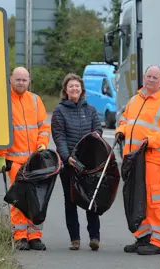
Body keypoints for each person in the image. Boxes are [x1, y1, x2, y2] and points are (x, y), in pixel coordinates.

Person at [115, 65, 160, 255]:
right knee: (136, 198)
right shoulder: (135, 100)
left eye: (154, 77)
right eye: (148, 76)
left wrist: (151, 140)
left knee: (154, 200)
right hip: (133, 159)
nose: (150, 80)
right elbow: (124, 120)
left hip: (152, 159)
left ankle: (159, 242)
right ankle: (143, 237)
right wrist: (120, 131)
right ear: (144, 77)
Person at [0, 66, 51, 251]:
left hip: (35, 160)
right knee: (19, 200)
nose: (21, 83)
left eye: (24, 80)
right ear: (11, 79)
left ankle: (34, 235)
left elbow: (43, 127)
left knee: (36, 199)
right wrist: (0, 156)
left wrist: (42, 144)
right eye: (18, 79)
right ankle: (20, 236)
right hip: (15, 160)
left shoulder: (35, 100)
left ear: (29, 81)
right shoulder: (4, 101)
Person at [51, 73, 103, 251]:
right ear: (65, 90)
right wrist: (67, 158)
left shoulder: (90, 110)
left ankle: (94, 237)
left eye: (77, 86)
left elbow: (97, 131)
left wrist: (92, 152)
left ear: (82, 90)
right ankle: (75, 238)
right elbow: (59, 137)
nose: (74, 89)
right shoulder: (59, 111)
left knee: (91, 200)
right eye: (71, 86)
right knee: (71, 201)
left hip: (89, 165)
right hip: (69, 164)